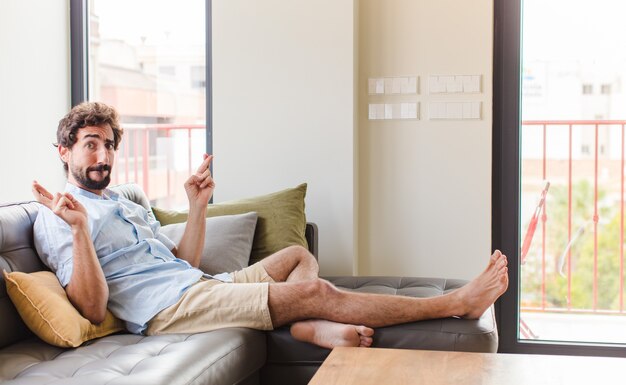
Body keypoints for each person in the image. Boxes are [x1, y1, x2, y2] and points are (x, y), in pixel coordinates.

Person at [32, 101, 509, 350]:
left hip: (197, 286)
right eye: (90, 144)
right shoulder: (58, 216)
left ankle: (308, 329)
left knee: (296, 256)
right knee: (317, 289)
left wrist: (196, 206)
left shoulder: (123, 201)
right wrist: (77, 230)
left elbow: (184, 264)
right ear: (65, 151)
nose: (102, 155)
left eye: (109, 145)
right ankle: (455, 303)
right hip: (166, 313)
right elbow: (93, 310)